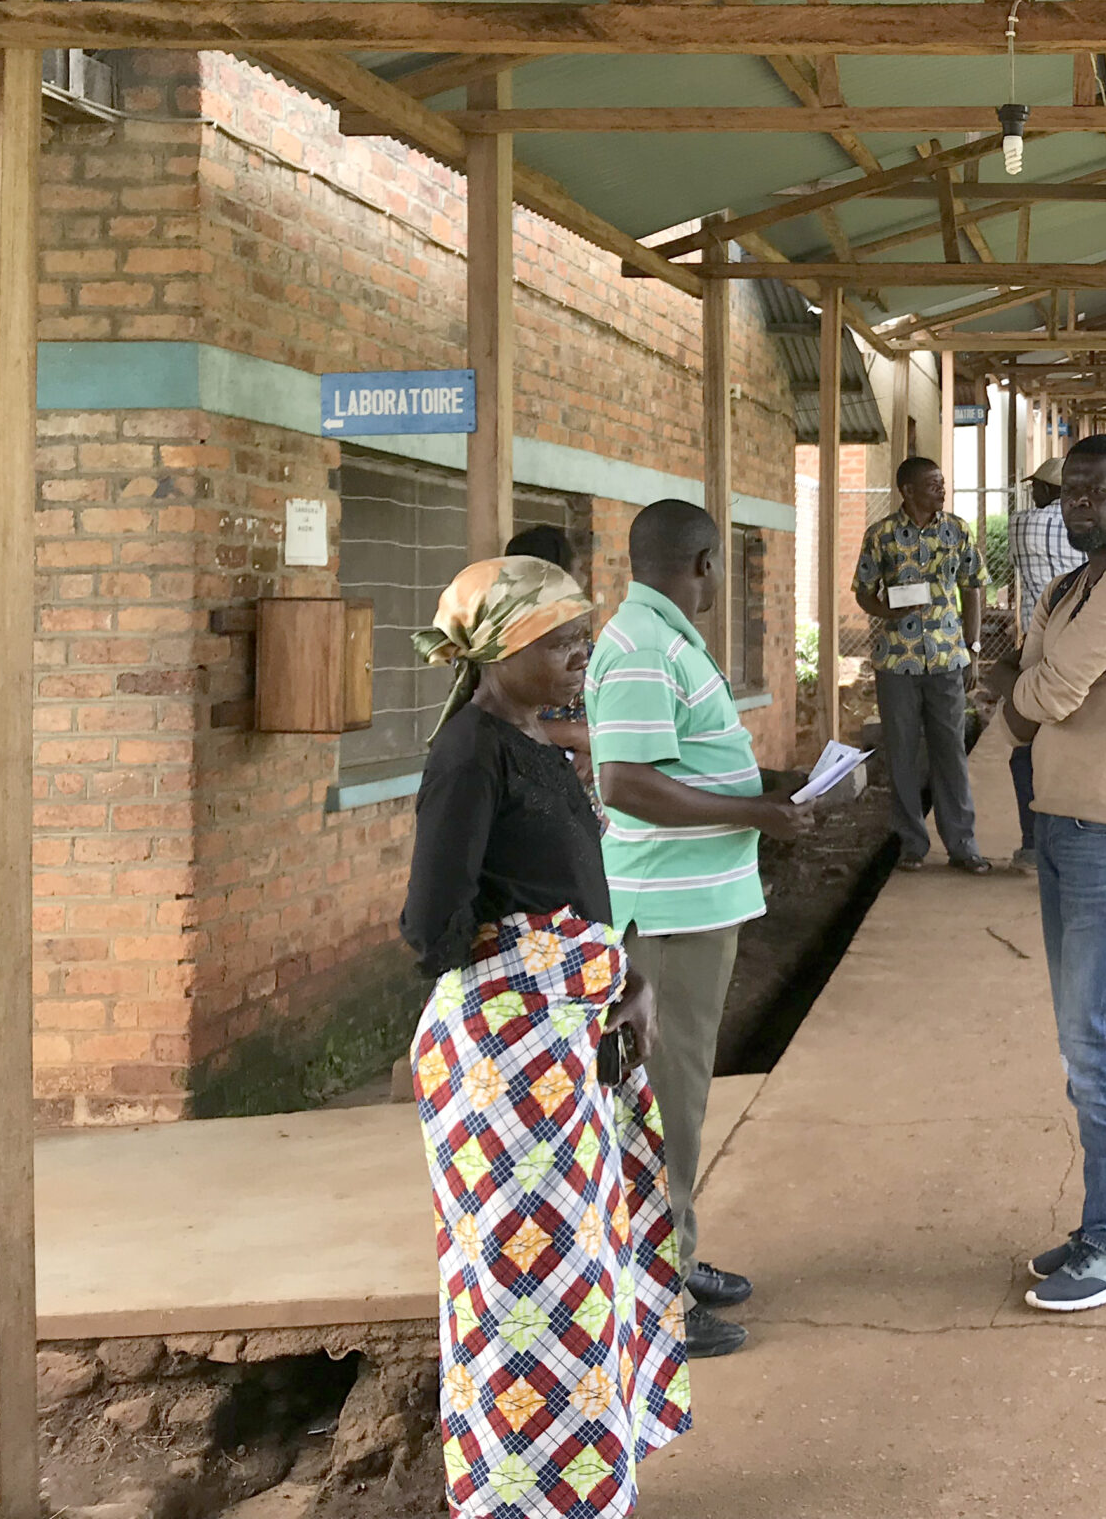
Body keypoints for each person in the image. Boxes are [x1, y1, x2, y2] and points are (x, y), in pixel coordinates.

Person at [398, 555, 690, 1516]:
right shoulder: (469, 755)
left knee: (581, 1278)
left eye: (582, 638)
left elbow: (565, 894)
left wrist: (618, 977)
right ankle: (519, 1497)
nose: (581, 655)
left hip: (564, 1051)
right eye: (562, 641)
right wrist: (547, 973)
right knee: (523, 1289)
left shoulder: (532, 742)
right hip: (508, 1069)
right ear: (501, 648)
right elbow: (433, 931)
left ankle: (584, 1487)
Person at [588, 498, 816, 1361]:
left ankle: (674, 1256)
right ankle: (658, 1304)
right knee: (663, 1108)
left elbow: (688, 760)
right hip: (665, 915)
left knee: (675, 1101)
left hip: (694, 905)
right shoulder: (646, 646)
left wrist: (775, 790)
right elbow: (625, 783)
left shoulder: (665, 637)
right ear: (704, 564)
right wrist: (755, 811)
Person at [980, 434, 1106, 1312]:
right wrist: (1029, 689)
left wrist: (1020, 697)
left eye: (1095, 492)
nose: (1077, 505)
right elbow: (1033, 674)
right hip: (1060, 822)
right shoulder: (1070, 587)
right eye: (1068, 492)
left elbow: (1044, 694)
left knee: (1095, 1036)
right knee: (1079, 1038)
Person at [852, 454, 992, 873]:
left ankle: (963, 845)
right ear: (908, 490)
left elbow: (973, 588)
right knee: (902, 754)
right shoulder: (881, 535)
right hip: (897, 662)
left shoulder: (957, 530)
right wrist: (886, 611)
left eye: (943, 483)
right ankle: (911, 844)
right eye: (933, 484)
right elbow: (863, 591)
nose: (942, 490)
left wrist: (973, 649)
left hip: (947, 659)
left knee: (951, 752)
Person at [1004, 457, 1082, 869]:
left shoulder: (1021, 525)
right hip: (1085, 648)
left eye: (1036, 486)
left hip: (1038, 652)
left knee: (1028, 747)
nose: (1031, 492)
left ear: (1050, 490)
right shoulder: (1087, 528)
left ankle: (1034, 843)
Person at [505, 524, 597, 822]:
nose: (584, 579)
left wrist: (594, 750)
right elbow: (494, 727)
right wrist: (575, 734)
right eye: (578, 570)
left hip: (581, 810)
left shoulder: (582, 647)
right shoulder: (499, 650)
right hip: (524, 807)